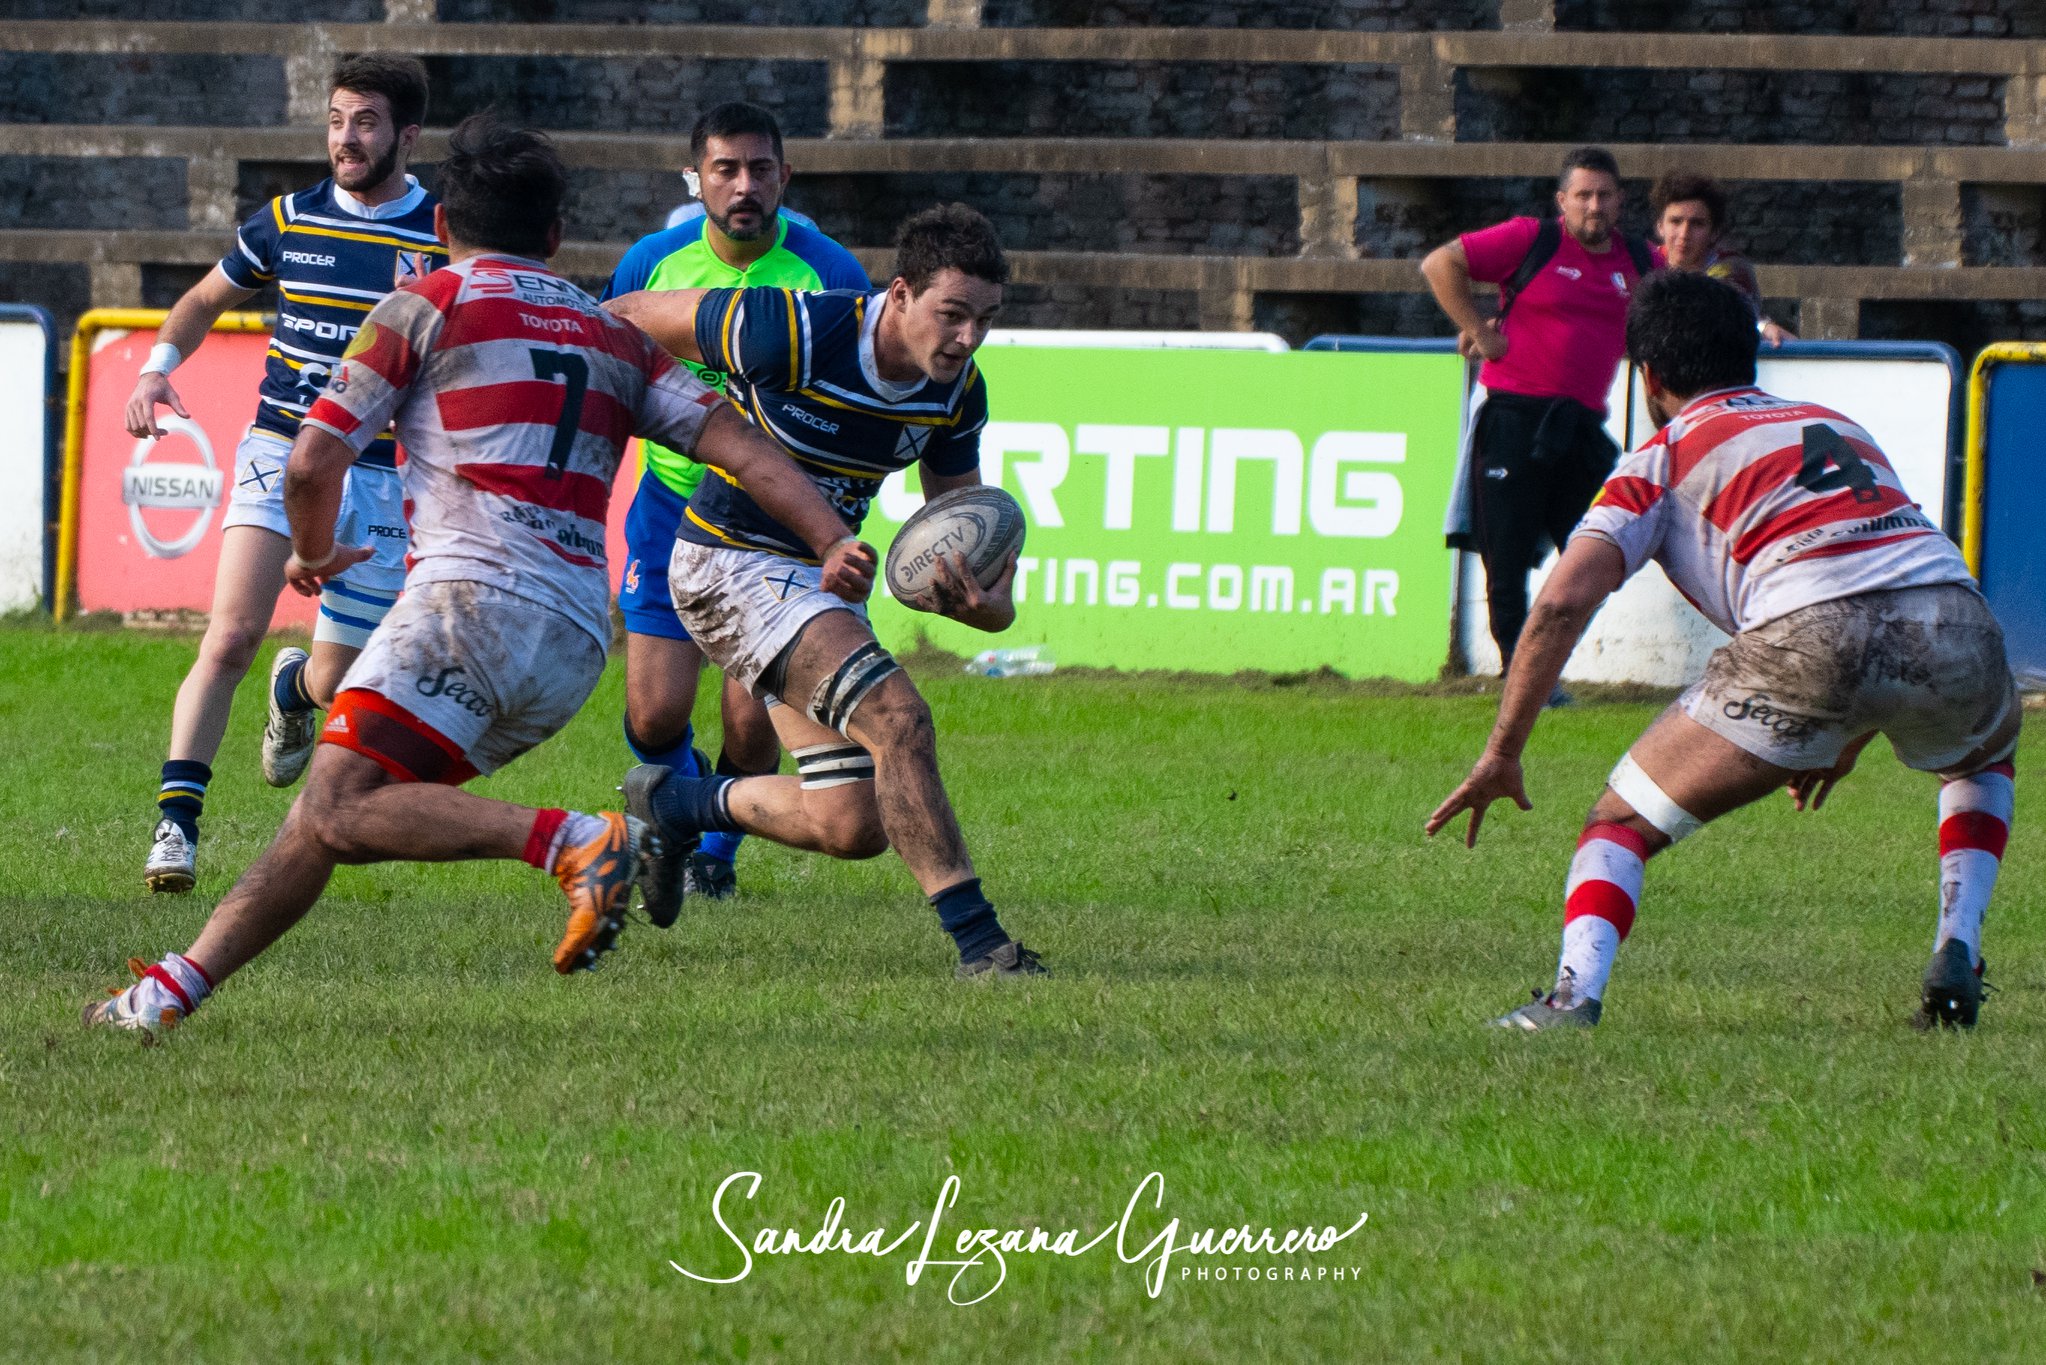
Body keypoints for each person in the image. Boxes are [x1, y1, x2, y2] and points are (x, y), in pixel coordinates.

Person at [84, 116, 872, 1041]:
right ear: (553, 235)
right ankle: (170, 992)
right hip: (574, 640)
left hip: (469, 608)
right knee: (336, 805)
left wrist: (307, 551)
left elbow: (308, 462)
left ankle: (578, 841)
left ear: (445, 219)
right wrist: (828, 539)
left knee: (338, 803)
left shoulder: (428, 301)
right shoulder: (608, 331)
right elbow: (742, 448)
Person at [1427, 272, 2019, 1032]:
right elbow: (1884, 583)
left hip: (1806, 634)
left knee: (1617, 825)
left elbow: (1562, 603)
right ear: (1750, 359)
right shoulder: (1838, 423)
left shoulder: (1660, 458)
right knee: (1978, 761)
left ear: (1648, 377)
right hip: (1956, 616)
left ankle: (1572, 998)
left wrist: (1502, 750)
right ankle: (1957, 944)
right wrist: (1850, 726)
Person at [603, 203, 1046, 979]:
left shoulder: (956, 392)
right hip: (726, 562)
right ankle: (984, 946)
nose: (968, 338)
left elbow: (955, 533)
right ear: (901, 294)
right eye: (952, 314)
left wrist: (986, 605)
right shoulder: (794, 329)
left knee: (851, 823)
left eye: (985, 319)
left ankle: (672, 805)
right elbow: (631, 314)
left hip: (816, 583)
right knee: (898, 715)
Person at [125, 53, 443, 894]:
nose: (346, 137)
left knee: (339, 677)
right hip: (278, 447)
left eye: (366, 122)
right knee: (229, 634)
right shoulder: (288, 218)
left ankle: (296, 689)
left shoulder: (445, 232)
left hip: (377, 470)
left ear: (407, 135)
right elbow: (200, 303)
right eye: (337, 119)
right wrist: (159, 367)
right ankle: (176, 826)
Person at [605, 102, 869, 907]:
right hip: (668, 503)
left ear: (785, 176)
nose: (744, 186)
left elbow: (857, 406)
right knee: (654, 718)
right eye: (725, 170)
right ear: (697, 179)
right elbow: (612, 377)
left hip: (768, 526)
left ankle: (711, 851)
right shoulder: (651, 264)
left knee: (751, 726)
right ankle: (675, 811)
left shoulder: (831, 275)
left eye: (760, 170)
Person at [1421, 146, 1657, 677]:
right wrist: (1480, 328)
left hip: (1579, 428)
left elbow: (1697, 295)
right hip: (1513, 417)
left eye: (1603, 195)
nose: (1593, 206)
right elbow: (1441, 263)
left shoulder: (1640, 261)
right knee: (1504, 559)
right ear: (1563, 201)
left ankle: (1542, 665)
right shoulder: (1533, 238)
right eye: (1583, 196)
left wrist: (1761, 326)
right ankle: (1519, 674)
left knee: (1596, 557)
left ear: (1620, 202)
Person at [1651, 170, 1796, 346]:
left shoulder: (1733, 268)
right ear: (1660, 227)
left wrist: (1762, 326)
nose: (1684, 234)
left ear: (1715, 232)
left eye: (1697, 224)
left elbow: (1737, 314)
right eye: (1675, 221)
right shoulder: (1642, 261)